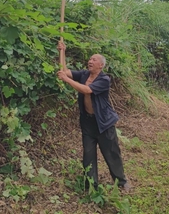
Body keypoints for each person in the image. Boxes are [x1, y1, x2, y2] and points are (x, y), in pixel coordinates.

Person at [56, 41, 131, 192]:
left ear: (101, 65)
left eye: (94, 59)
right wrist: (62, 52)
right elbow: (65, 70)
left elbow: (86, 90)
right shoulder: (84, 74)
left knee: (111, 153)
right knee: (88, 154)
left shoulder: (104, 80)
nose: (90, 61)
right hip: (88, 123)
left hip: (104, 123)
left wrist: (66, 79)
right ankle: (91, 185)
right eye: (90, 59)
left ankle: (121, 182)